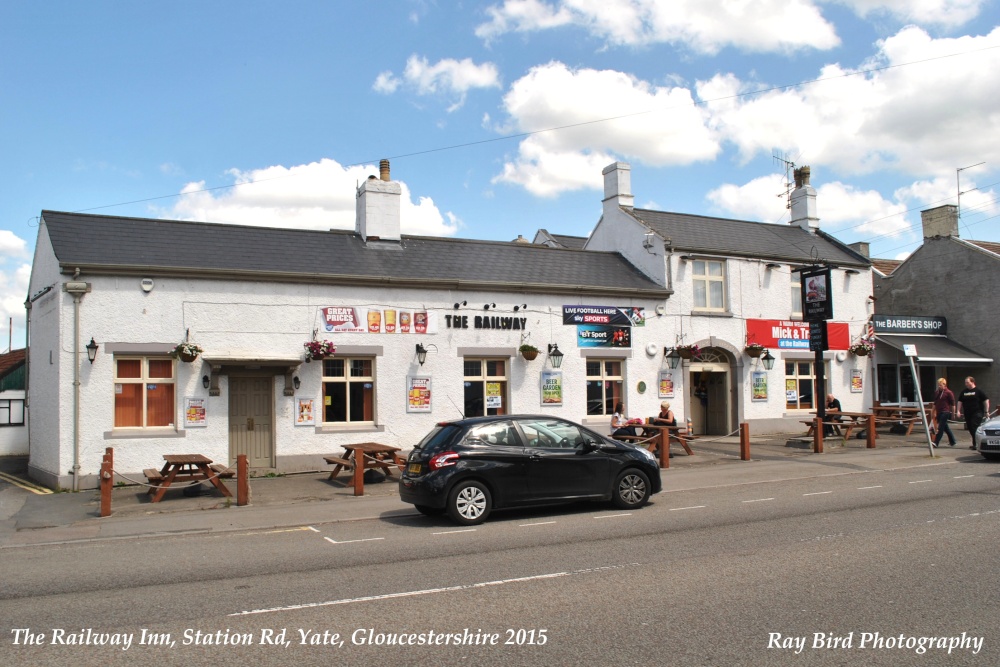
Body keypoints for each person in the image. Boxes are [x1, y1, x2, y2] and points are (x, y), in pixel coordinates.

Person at [956, 376, 990, 449]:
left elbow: (986, 400)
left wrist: (986, 411)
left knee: (974, 425)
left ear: (972, 382)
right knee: (970, 427)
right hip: (968, 413)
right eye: (965, 382)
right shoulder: (964, 392)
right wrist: (958, 411)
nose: (966, 384)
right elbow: (959, 401)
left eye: (967, 382)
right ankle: (975, 442)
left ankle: (977, 444)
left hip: (977, 412)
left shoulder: (978, 391)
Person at [931, 378, 957, 447]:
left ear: (944, 385)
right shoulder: (937, 392)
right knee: (946, 428)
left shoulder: (948, 392)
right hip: (939, 412)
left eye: (940, 385)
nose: (939, 386)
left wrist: (953, 413)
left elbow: (953, 404)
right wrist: (932, 411)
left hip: (945, 412)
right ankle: (953, 441)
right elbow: (935, 403)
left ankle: (936, 442)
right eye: (938, 385)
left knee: (941, 428)